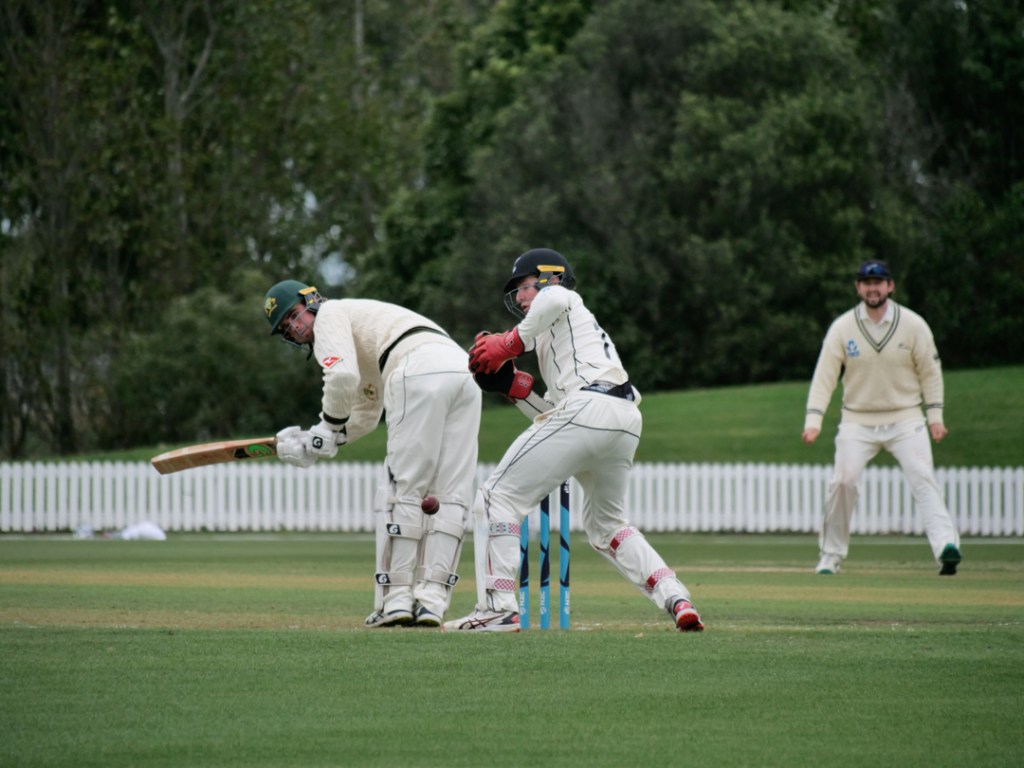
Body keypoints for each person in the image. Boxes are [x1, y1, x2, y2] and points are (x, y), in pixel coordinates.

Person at [443, 248, 704, 632]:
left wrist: (508, 344)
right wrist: (514, 389)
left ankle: (498, 607)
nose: (520, 298)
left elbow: (554, 299)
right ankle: (675, 596)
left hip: (590, 409)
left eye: (525, 287)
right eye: (516, 292)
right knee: (607, 527)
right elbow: (554, 416)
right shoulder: (562, 339)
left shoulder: (561, 296)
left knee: (496, 497)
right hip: (621, 419)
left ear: (550, 277)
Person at [263, 280, 482, 626]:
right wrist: (319, 439)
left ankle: (396, 601)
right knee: (450, 494)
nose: (295, 327)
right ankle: (432, 602)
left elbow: (340, 376)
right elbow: (366, 413)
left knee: (402, 490)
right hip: (463, 372)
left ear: (312, 300)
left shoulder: (330, 313)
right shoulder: (362, 330)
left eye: (294, 315)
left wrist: (325, 431)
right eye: (286, 327)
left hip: (416, 367)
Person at [802, 260, 962, 576]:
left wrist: (935, 417)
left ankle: (946, 547)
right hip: (857, 419)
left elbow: (930, 372)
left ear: (890, 286)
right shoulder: (842, 328)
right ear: (858, 288)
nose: (872, 288)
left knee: (922, 476)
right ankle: (830, 555)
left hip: (906, 417)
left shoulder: (913, 325)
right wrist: (813, 421)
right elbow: (824, 376)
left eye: (878, 282)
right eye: (867, 283)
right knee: (843, 482)